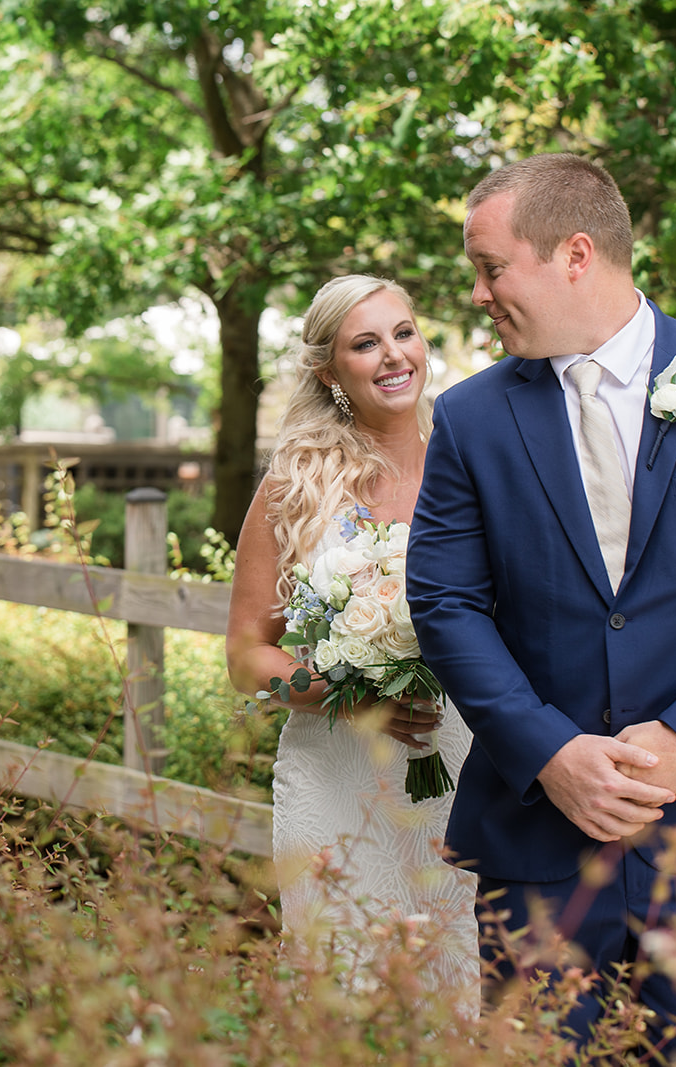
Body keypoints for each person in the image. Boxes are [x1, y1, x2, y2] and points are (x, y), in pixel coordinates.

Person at [407, 154, 676, 1054]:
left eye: (491, 268)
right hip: (536, 839)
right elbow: (445, 600)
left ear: (574, 253)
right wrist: (552, 752)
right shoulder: (471, 417)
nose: (480, 294)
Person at [225, 274, 481, 1016]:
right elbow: (247, 656)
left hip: (459, 769)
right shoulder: (296, 484)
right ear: (328, 369)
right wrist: (355, 694)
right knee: (341, 998)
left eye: (404, 332)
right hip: (335, 776)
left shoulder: (474, 468)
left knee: (452, 996)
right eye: (365, 343)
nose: (393, 355)